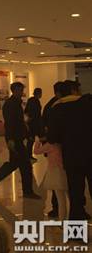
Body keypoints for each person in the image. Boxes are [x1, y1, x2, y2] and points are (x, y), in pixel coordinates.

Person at [0, 82, 40, 199]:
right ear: (14, 90)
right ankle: (27, 191)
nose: (22, 92)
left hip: (16, 138)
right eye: (20, 90)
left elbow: (18, 121)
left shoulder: (15, 103)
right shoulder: (11, 104)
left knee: (15, 163)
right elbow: (10, 123)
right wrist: (11, 139)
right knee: (25, 165)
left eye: (22, 90)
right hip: (15, 139)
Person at [48, 80, 92, 219]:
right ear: (73, 90)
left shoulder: (57, 108)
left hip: (72, 155)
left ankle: (76, 226)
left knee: (75, 192)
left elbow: (52, 137)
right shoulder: (88, 103)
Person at [41, 81, 64, 217]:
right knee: (59, 179)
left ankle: (57, 208)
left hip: (54, 148)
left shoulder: (51, 105)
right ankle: (58, 208)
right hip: (58, 147)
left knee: (57, 179)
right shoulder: (56, 106)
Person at [33, 136, 68, 219]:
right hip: (64, 171)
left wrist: (37, 141)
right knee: (68, 198)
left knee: (60, 199)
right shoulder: (61, 144)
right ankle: (69, 218)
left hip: (54, 173)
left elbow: (36, 151)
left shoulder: (50, 145)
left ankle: (62, 220)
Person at [25, 88, 42, 161]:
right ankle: (29, 155)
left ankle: (28, 155)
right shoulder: (35, 101)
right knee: (31, 140)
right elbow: (35, 113)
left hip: (32, 123)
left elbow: (26, 111)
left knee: (31, 140)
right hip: (33, 124)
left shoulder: (32, 100)